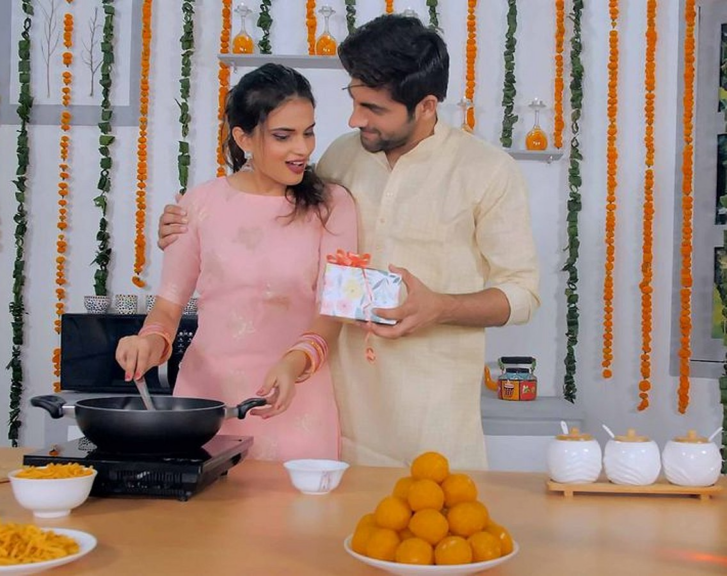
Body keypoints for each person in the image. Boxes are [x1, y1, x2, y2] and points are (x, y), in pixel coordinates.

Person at [159, 16, 539, 470]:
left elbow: (523, 294)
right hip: (340, 417)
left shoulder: (486, 171)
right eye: (354, 100)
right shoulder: (342, 156)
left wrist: (440, 307)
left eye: (373, 108)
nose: (355, 119)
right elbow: (278, 220)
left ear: (425, 106)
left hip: (432, 418)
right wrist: (189, 222)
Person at [117, 64, 357, 461]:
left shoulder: (334, 205)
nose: (302, 149)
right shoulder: (199, 204)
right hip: (206, 409)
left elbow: (336, 311)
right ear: (243, 138)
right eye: (283, 136)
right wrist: (147, 343)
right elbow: (168, 307)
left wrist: (293, 363)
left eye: (309, 132)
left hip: (297, 403)